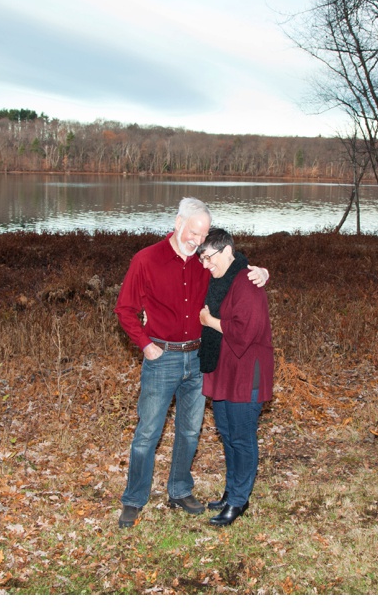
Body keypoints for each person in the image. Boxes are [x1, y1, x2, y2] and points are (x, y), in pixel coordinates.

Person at [114, 198, 269, 528]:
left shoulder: (204, 262)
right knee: (147, 433)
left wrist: (259, 270)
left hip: (199, 358)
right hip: (162, 357)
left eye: (203, 235)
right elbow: (124, 310)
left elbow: (230, 264)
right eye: (194, 232)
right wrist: (145, 344)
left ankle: (180, 490)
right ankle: (134, 498)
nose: (198, 240)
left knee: (189, 430)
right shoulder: (146, 260)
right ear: (177, 222)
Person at [197, 228, 274, 526]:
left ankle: (240, 502)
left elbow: (246, 331)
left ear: (227, 251)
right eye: (202, 258)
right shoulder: (219, 279)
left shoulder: (247, 282)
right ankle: (231, 492)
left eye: (209, 258)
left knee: (242, 438)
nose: (205, 264)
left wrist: (210, 321)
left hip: (246, 373)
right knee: (227, 435)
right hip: (224, 369)